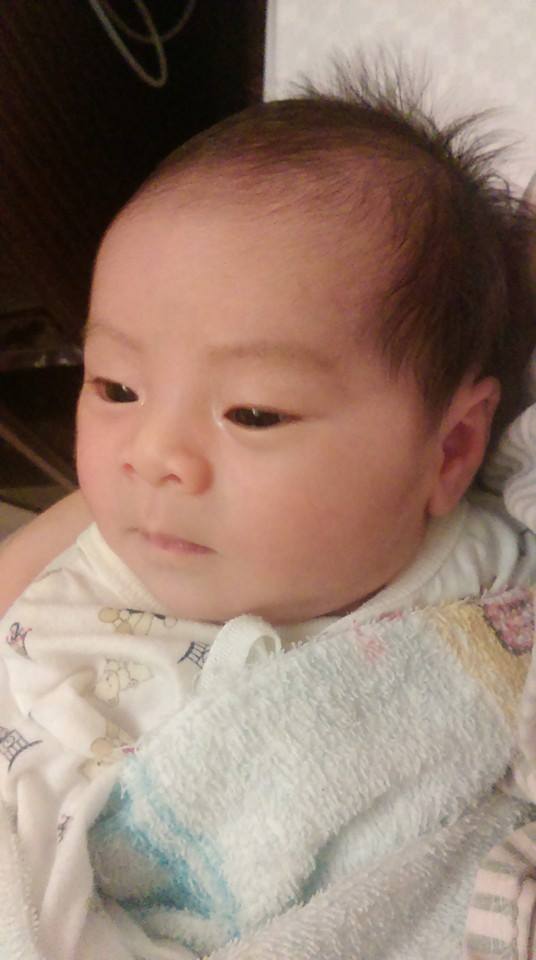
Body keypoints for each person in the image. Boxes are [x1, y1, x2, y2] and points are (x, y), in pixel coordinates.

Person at [1, 67, 536, 960]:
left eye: (252, 412)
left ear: (449, 450)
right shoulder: (96, 545)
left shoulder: (486, 586)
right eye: (116, 387)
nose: (151, 455)